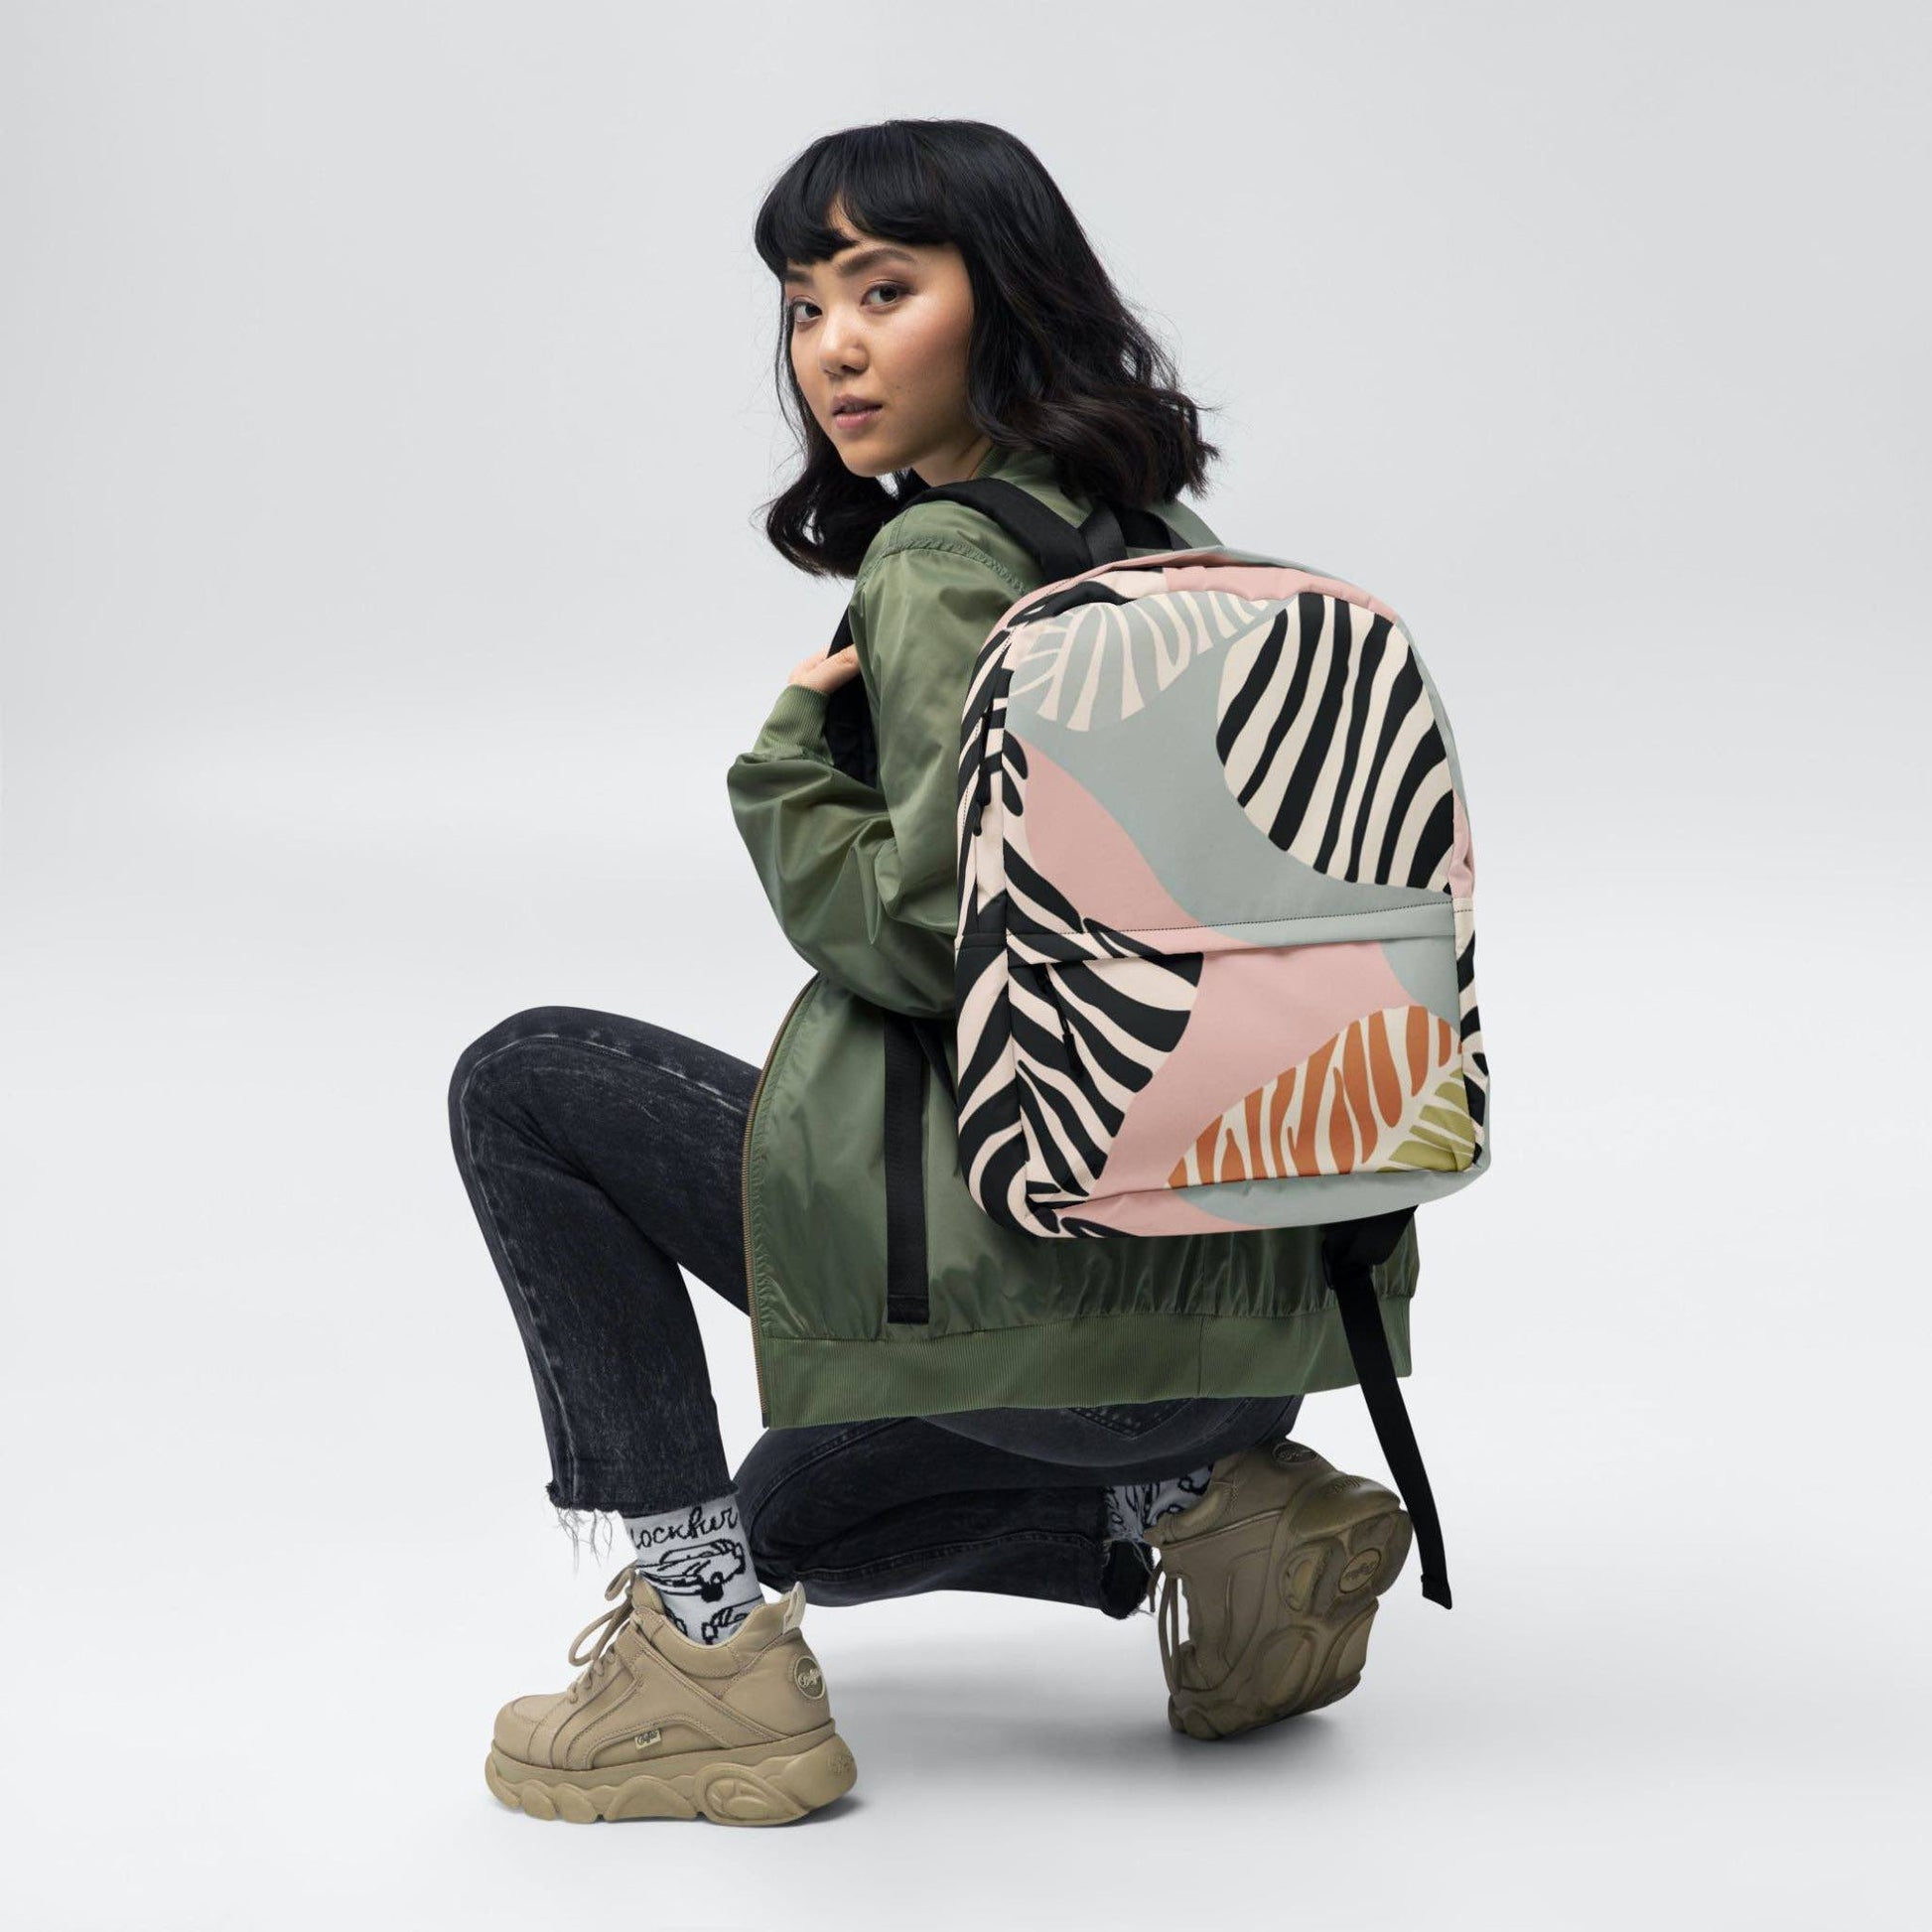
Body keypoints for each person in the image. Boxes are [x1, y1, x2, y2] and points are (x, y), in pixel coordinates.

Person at [448, 120, 1418, 1829]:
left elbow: (926, 937)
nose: (830, 344)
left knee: (526, 1077)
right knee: (795, 1516)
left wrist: (782, 771)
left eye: (884, 288)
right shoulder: (1159, 530)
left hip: (1052, 1304)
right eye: (803, 301)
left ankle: (695, 1656)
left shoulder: (943, 557)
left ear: (1002, 294)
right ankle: (1208, 1507)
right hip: (1250, 1308)